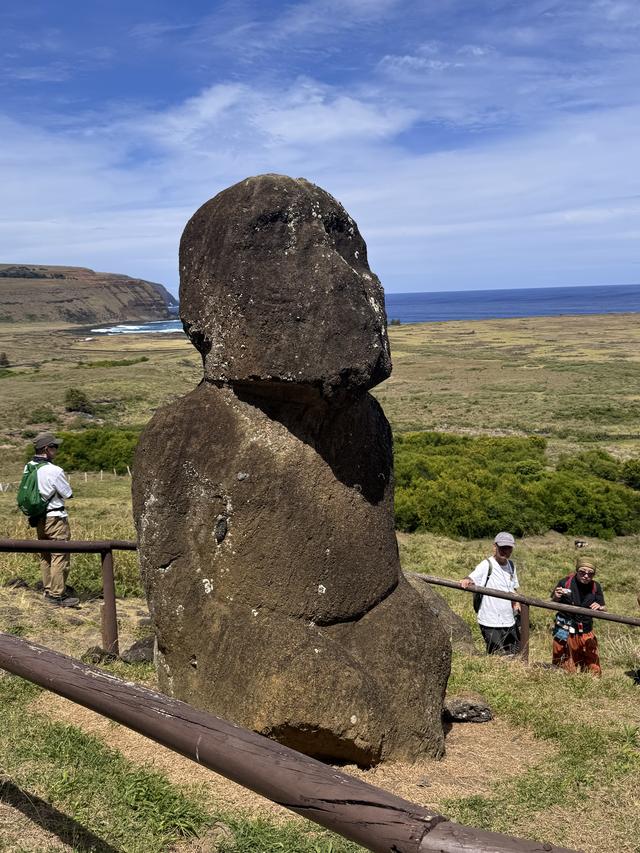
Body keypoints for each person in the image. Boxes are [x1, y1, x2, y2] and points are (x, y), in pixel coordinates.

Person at [27, 432, 79, 607]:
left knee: (45, 555)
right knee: (59, 555)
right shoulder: (54, 470)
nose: (57, 449)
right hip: (55, 517)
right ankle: (57, 595)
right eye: (54, 446)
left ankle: (49, 588)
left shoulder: (29, 467)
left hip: (39, 517)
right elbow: (68, 493)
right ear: (46, 449)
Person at [461, 531, 521, 655]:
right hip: (490, 620)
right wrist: (467, 580)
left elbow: (513, 587)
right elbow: (472, 577)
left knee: (514, 655)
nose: (505, 551)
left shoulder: (511, 565)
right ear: (495, 547)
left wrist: (516, 602)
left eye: (508, 548)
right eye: (502, 548)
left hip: (509, 619)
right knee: (497, 656)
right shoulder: (486, 565)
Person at [551, 555, 605, 675]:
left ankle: (591, 688)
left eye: (590, 573)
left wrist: (600, 607)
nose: (586, 576)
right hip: (565, 630)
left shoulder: (596, 587)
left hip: (586, 631)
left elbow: (602, 606)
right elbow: (553, 602)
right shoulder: (565, 582)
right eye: (582, 572)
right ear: (577, 570)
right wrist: (556, 597)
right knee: (565, 667)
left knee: (593, 666)